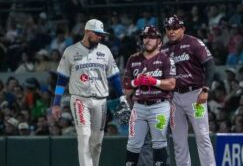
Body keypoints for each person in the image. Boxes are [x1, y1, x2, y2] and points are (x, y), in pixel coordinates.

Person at [51, 19, 128, 166]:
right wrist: (56, 103)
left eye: (102, 34)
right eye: (97, 34)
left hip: (101, 100)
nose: (100, 37)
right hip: (80, 99)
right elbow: (61, 79)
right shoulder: (71, 51)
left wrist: (122, 97)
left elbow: (114, 77)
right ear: (87, 32)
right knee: (84, 135)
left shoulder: (105, 51)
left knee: (97, 142)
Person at [161, 15, 216, 166]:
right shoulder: (164, 49)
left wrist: (206, 88)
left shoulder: (193, 43)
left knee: (202, 135)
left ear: (182, 29)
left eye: (175, 28)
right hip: (174, 99)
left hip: (195, 96)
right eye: (168, 29)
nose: (171, 32)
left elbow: (210, 65)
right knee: (178, 140)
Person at [122, 25, 176, 166]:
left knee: (159, 143)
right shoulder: (133, 59)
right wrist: (135, 82)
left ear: (159, 41)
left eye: (152, 37)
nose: (148, 40)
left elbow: (171, 84)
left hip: (160, 106)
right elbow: (126, 91)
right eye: (145, 37)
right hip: (138, 107)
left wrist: (154, 81)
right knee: (133, 144)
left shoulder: (166, 59)